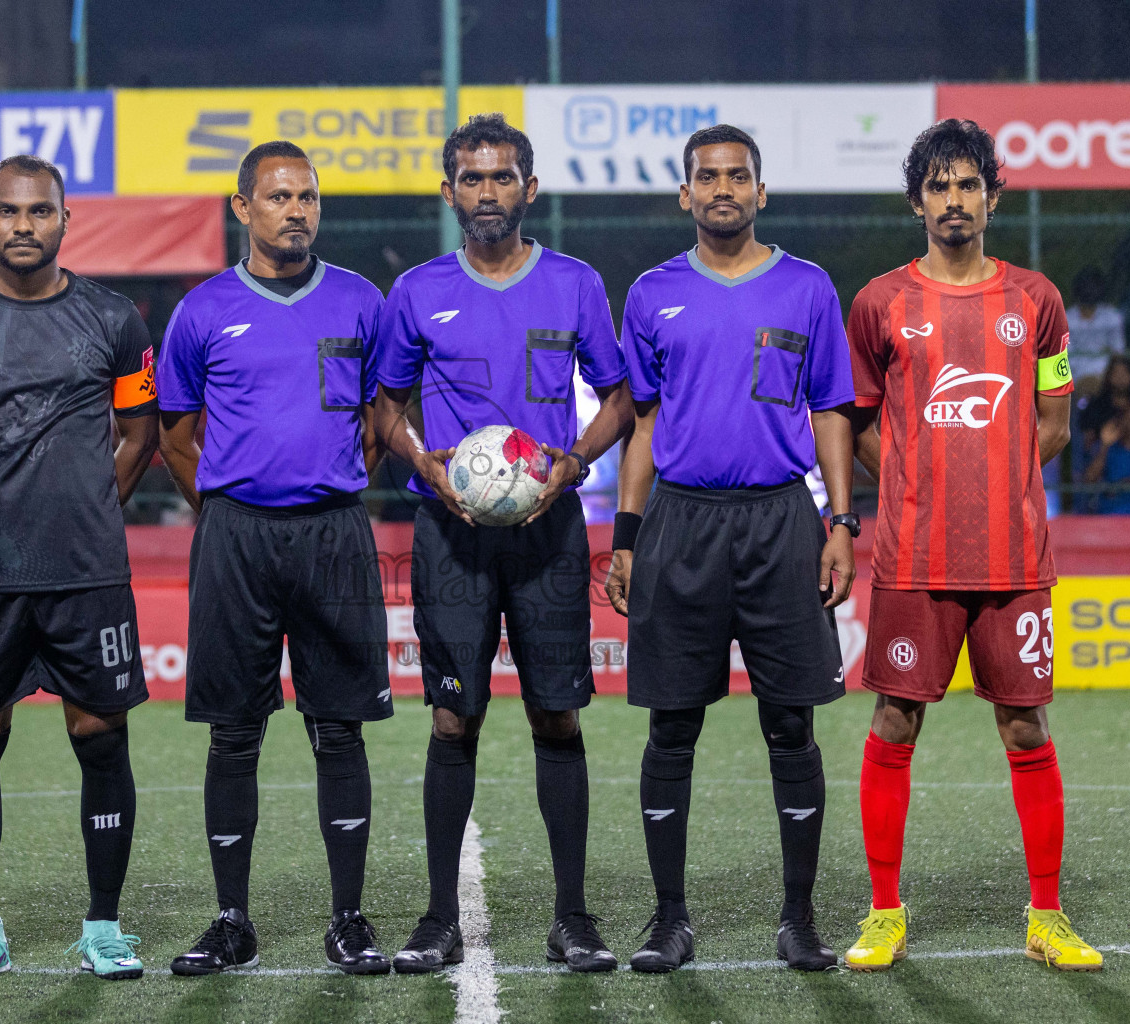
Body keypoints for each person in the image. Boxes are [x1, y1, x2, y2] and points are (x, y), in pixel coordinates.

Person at [373, 113, 633, 974]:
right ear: (450, 192)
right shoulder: (415, 291)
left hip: (550, 529)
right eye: (472, 179)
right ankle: (441, 917)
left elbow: (620, 399)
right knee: (453, 717)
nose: (489, 192)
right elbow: (386, 409)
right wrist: (423, 462)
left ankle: (574, 917)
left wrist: (572, 466)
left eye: (503, 177)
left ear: (530, 187)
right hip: (451, 533)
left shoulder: (576, 284)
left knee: (556, 712)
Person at [843, 119, 1101, 972]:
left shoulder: (1038, 302)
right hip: (915, 556)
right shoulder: (880, 303)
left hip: (1014, 557)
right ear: (917, 199)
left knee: (1026, 729)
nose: (954, 200)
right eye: (938, 186)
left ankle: (1048, 914)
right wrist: (918, 480)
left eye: (968, 184)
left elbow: (1054, 424)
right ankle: (884, 912)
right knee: (894, 720)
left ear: (993, 193)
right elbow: (857, 421)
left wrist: (994, 474)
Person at [604, 124, 856, 974]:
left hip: (782, 522)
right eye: (706, 177)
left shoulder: (808, 289)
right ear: (685, 194)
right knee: (671, 726)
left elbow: (831, 413)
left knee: (791, 723)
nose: (722, 189)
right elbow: (642, 425)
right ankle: (669, 919)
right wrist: (627, 540)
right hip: (680, 523)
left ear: (760, 192)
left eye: (737, 177)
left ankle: (798, 918)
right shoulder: (650, 293)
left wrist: (841, 525)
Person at [0, 154, 160, 984]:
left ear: (64, 222)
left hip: (89, 574)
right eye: (7, 212)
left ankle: (104, 926)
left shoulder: (115, 319)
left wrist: (84, 508)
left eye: (39, 212)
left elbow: (138, 437)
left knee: (100, 736)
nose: (23, 226)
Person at [157, 141, 394, 976]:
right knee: (234, 734)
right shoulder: (200, 311)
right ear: (242, 207)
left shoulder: (363, 302)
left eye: (309, 197)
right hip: (236, 540)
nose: (297, 210)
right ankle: (231, 922)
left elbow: (382, 423)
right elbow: (176, 437)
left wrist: (324, 485)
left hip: (335, 533)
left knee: (339, 731)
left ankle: (349, 920)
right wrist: (231, 503)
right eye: (280, 196)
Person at [1063, 266, 1124, 384]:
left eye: (1093, 286)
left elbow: (1117, 351)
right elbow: (1067, 355)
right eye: (1086, 285)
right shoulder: (1066, 318)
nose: (1090, 290)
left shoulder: (1112, 316)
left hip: (1106, 376)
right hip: (1075, 376)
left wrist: (1104, 377)